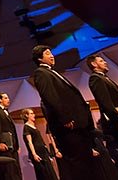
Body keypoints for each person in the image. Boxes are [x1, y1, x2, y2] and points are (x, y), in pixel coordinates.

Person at [31, 45, 95, 180]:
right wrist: (65, 118)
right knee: (77, 164)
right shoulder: (41, 73)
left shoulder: (53, 72)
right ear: (39, 58)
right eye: (47, 53)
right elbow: (50, 97)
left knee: (86, 161)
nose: (52, 55)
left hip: (77, 124)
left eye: (51, 53)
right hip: (68, 126)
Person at [0, 92, 22, 180]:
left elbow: (12, 130)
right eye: (5, 98)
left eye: (8, 98)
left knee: (16, 169)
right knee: (9, 170)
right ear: (0, 100)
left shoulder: (6, 112)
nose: (8, 100)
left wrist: (17, 145)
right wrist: (1, 142)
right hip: (6, 145)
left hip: (13, 146)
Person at [20, 109, 58, 180]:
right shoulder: (26, 127)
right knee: (43, 174)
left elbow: (41, 141)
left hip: (44, 153)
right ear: (26, 115)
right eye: (31, 113)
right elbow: (29, 142)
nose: (33, 115)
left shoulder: (34, 127)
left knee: (50, 173)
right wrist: (34, 154)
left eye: (33, 113)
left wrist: (48, 154)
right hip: (38, 153)